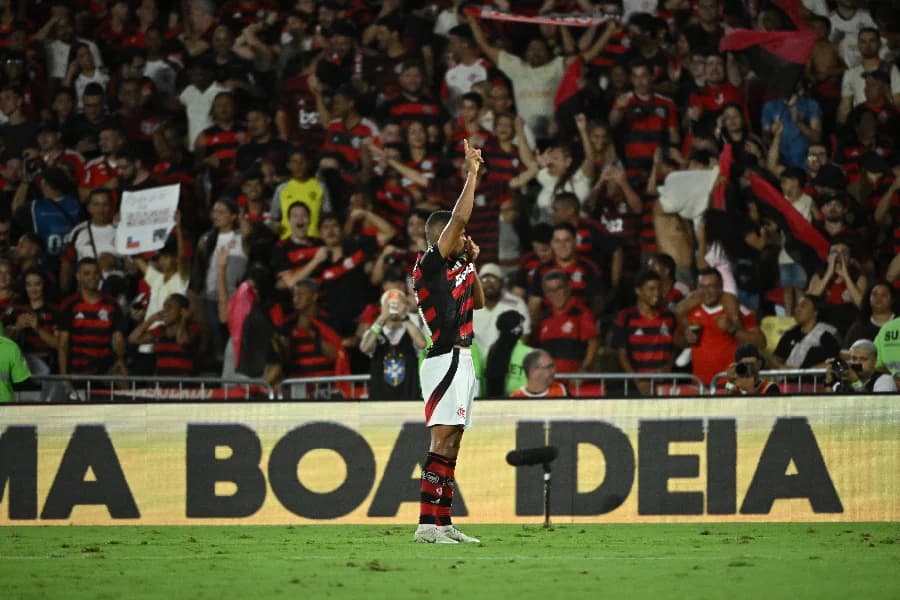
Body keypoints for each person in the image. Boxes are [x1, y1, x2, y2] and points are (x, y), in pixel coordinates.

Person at [411, 139, 484, 544]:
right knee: (441, 441)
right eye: (459, 233)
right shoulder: (429, 265)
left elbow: (482, 301)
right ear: (442, 236)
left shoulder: (457, 268)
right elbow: (457, 218)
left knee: (452, 443)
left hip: (463, 359)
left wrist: (472, 262)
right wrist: (472, 175)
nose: (463, 235)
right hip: (444, 359)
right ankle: (425, 525)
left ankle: (443, 523)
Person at [359, 288, 427, 401]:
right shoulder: (375, 332)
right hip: (380, 403)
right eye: (389, 303)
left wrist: (404, 317)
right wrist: (380, 319)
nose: (393, 306)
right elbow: (365, 348)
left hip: (408, 401)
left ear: (405, 307)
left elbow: (422, 344)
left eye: (398, 303)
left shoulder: (412, 331)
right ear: (382, 307)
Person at [472, 262, 530, 356]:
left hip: (505, 359)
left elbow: (524, 335)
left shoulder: (516, 304)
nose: (489, 284)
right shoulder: (468, 304)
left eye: (493, 279)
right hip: (475, 360)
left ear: (502, 282)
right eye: (484, 279)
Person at [771, 295, 841, 369]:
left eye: (803, 306)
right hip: (787, 379)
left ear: (815, 312)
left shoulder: (827, 333)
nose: (797, 309)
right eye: (797, 306)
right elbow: (775, 360)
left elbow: (837, 361)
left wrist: (809, 372)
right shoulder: (790, 334)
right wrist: (782, 367)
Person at [484, 310, 534, 398]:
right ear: (517, 329)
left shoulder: (490, 351)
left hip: (492, 402)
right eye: (521, 325)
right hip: (523, 401)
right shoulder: (529, 353)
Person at [825, 339, 897, 393]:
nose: (857, 362)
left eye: (863, 359)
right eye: (854, 358)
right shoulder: (844, 381)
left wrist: (855, 382)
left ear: (874, 362)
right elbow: (828, 406)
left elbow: (875, 407)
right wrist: (829, 382)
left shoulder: (885, 380)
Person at [0, 328, 31, 402]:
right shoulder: (10, 347)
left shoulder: (11, 347)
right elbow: (21, 382)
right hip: (5, 406)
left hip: (5, 407)